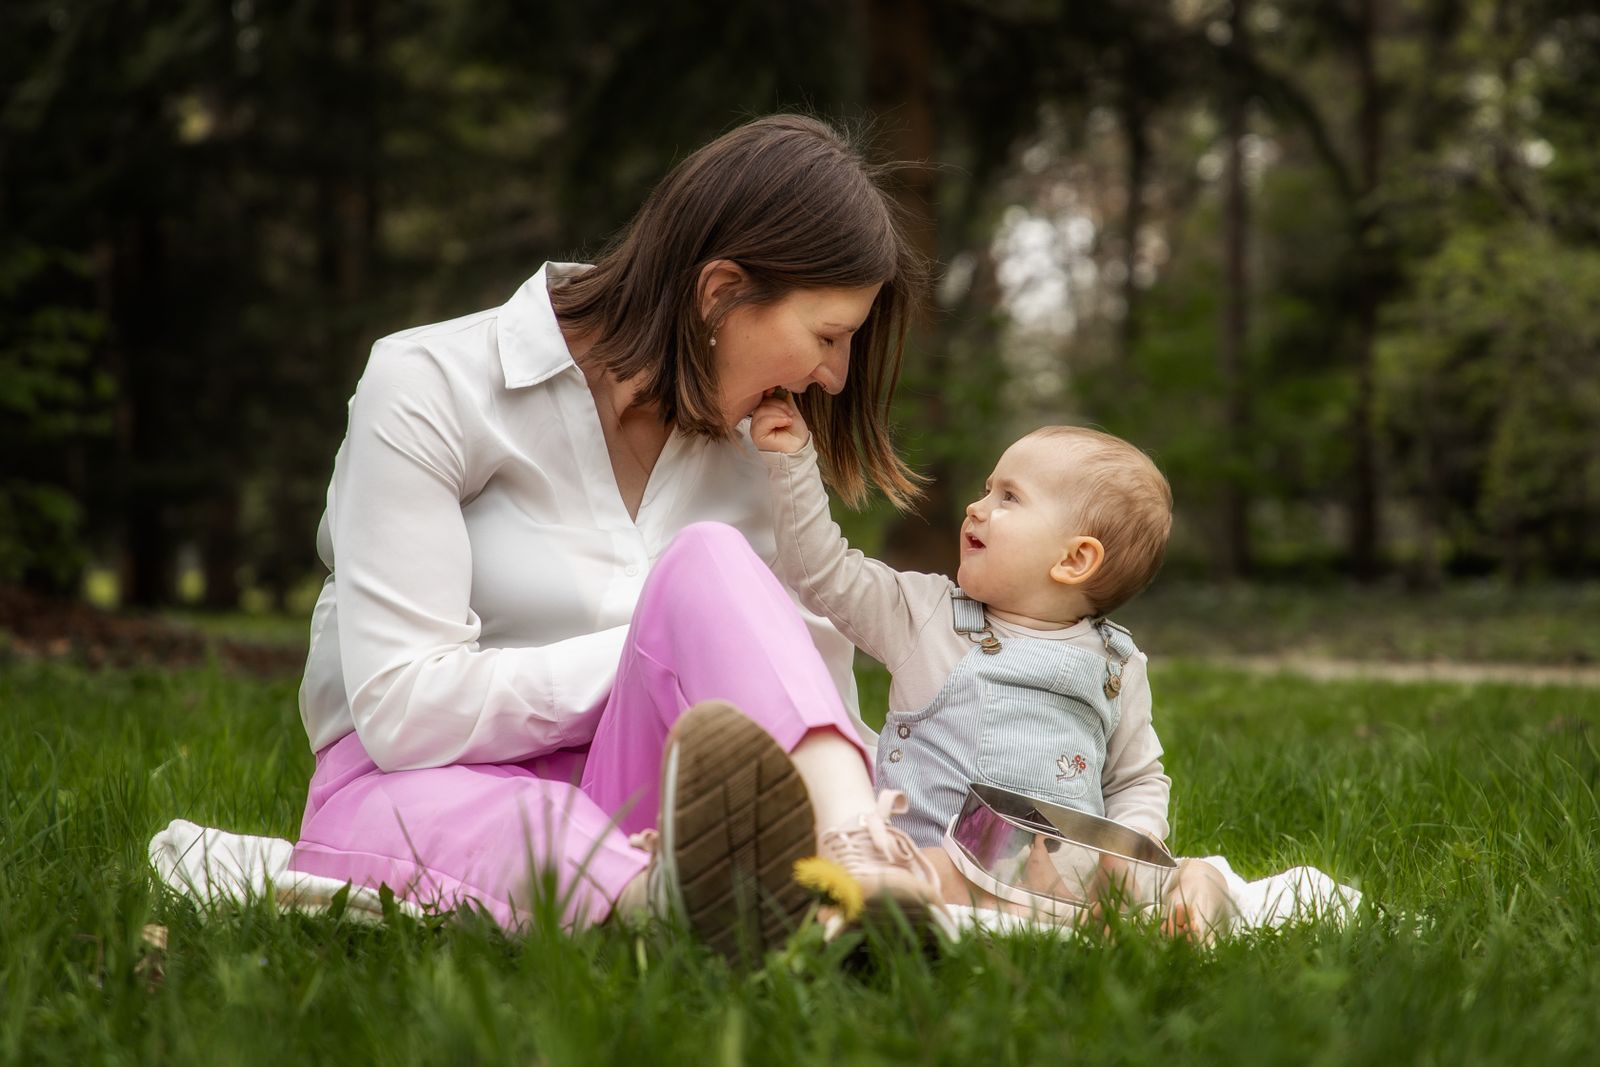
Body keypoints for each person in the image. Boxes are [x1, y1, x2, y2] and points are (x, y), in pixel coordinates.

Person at [286, 114, 950, 956]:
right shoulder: (431, 383)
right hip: (419, 789)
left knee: (710, 561)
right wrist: (661, 645)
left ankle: (859, 860)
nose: (834, 377)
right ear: (719, 293)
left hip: (651, 790)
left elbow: (799, 704)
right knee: (525, 818)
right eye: (828, 336)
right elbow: (402, 714)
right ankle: (670, 903)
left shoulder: (763, 451)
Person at [750, 397, 1237, 939]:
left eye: (1009, 497)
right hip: (945, 863)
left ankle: (1192, 907)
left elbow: (1135, 778)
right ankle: (1021, 921)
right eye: (986, 489)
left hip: (1069, 883)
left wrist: (1128, 850)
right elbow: (821, 572)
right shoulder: (925, 616)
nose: (976, 508)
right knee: (905, 879)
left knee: (1187, 876)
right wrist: (793, 463)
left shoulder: (1116, 663)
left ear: (1074, 559)